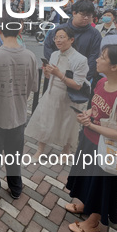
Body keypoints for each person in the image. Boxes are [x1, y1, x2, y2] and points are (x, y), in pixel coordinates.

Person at [65, 44, 117, 232]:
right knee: (87, 178)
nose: (97, 60)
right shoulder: (102, 82)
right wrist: (87, 114)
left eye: (102, 57)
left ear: (115, 66)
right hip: (90, 141)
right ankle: (85, 205)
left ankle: (93, 223)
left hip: (109, 148)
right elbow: (96, 109)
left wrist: (90, 125)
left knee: (100, 184)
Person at [0, 15, 39, 204]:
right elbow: (34, 87)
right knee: (14, 155)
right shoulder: (30, 56)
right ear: (20, 28)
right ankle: (15, 188)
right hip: (18, 116)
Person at [26, 28, 88, 159]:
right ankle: (40, 149)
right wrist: (48, 73)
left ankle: (66, 150)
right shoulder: (54, 54)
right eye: (56, 37)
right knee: (45, 121)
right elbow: (50, 77)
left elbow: (78, 85)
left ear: (71, 40)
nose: (58, 40)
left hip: (69, 97)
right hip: (51, 94)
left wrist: (60, 75)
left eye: (62, 37)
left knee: (67, 123)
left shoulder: (80, 59)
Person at [43, 0, 102, 81]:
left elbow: (93, 58)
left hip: (80, 78)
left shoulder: (95, 34)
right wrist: (56, 67)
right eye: (83, 15)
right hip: (56, 74)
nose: (86, 18)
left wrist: (83, 78)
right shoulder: (59, 29)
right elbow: (48, 47)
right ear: (74, 13)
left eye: (89, 15)